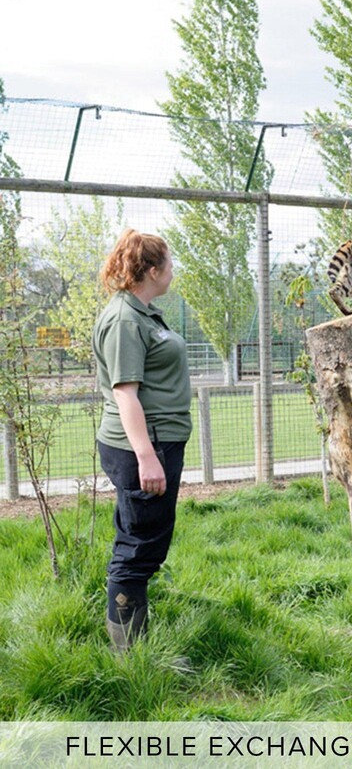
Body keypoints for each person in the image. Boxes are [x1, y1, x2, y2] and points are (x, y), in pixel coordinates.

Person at [92, 229, 192, 652]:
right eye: (169, 264)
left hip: (155, 442)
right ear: (151, 270)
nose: (173, 271)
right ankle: (130, 655)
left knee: (144, 541)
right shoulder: (124, 320)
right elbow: (124, 393)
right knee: (138, 547)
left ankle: (134, 643)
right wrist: (147, 458)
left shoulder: (142, 312)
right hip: (142, 447)